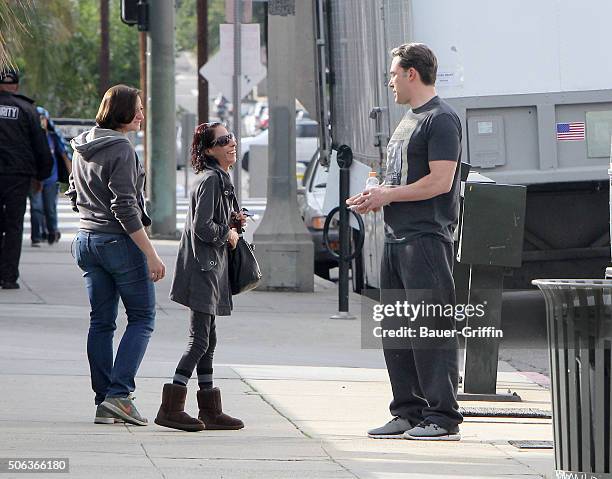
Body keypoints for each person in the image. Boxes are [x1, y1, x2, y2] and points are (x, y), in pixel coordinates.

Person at [347, 43, 463, 441]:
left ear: (412, 73)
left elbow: (440, 182)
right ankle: (408, 412)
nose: (390, 81)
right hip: (397, 239)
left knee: (430, 330)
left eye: (393, 74)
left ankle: (443, 418)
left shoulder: (442, 119)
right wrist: (375, 191)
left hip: (426, 239)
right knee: (396, 330)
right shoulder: (407, 121)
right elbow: (399, 178)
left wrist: (389, 195)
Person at [66, 84, 166, 426]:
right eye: (137, 108)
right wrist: (151, 254)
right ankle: (119, 396)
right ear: (121, 112)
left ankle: (104, 400)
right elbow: (124, 207)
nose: (141, 114)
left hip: (86, 240)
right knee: (142, 318)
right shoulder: (121, 148)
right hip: (117, 243)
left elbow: (72, 193)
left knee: (101, 322)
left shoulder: (82, 145)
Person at [155, 122, 245, 432]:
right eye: (223, 141)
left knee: (209, 339)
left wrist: (234, 221)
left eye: (231, 137)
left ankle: (210, 409)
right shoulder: (210, 180)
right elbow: (203, 228)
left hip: (211, 268)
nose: (231, 143)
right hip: (202, 269)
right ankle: (171, 408)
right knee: (199, 341)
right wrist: (229, 234)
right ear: (209, 150)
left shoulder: (221, 179)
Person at [0, 68, 53, 289]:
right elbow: (41, 147)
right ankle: (9, 276)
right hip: (18, 176)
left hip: (15, 172)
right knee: (14, 225)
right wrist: (42, 175)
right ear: (17, 86)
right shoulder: (28, 109)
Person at [29, 107, 72, 246]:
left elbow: (65, 155)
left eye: (43, 118)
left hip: (51, 180)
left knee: (50, 209)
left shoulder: (54, 137)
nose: (40, 121)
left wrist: (73, 179)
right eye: (38, 118)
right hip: (35, 179)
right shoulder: (29, 137)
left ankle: (52, 231)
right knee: (36, 207)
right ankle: (36, 236)